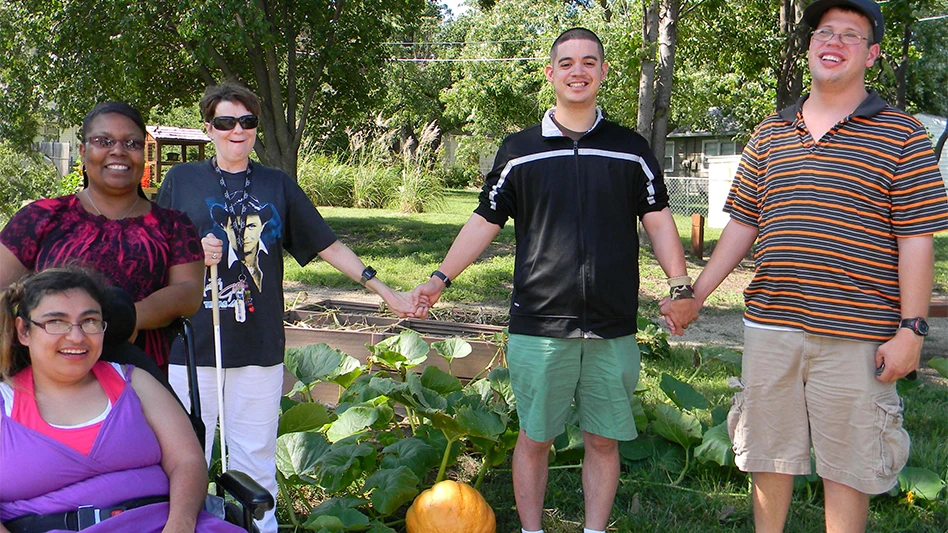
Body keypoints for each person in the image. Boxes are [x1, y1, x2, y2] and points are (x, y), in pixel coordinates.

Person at [662, 0, 948, 530]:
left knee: (849, 469)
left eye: (850, 35)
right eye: (824, 32)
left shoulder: (902, 134)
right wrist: (696, 295)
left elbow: (915, 239)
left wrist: (912, 329)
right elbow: (742, 225)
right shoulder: (769, 134)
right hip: (772, 327)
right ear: (811, 45)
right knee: (767, 458)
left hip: (858, 334)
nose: (833, 42)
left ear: (872, 55)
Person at [411, 28, 694, 533]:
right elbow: (484, 220)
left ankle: (594, 530)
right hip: (539, 325)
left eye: (588, 62)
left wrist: (680, 287)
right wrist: (439, 279)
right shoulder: (519, 150)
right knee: (535, 438)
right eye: (566, 63)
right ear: (551, 73)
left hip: (611, 324)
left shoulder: (630, 149)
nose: (577, 71)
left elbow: (658, 220)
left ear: (603, 72)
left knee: (603, 440)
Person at [156, 83, 421, 533]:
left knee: (255, 459)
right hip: (192, 346)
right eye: (225, 122)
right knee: (185, 463)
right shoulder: (181, 181)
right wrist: (191, 251)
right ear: (208, 128)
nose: (237, 130)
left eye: (247, 121)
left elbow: (326, 244)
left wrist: (385, 291)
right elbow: (155, 249)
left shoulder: (276, 184)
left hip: (258, 345)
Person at [0, 268, 243, 533]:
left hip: (165, 524)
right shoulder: (4, 403)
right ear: (24, 331)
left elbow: (187, 461)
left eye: (90, 321)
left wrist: (180, 525)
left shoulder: (135, 381)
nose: (76, 336)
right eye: (56, 322)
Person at [0, 102, 205, 371]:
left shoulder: (173, 225)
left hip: (137, 376)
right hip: (46, 376)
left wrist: (129, 318)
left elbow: (189, 292)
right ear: (83, 151)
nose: (118, 150)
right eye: (103, 141)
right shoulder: (41, 217)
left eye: (131, 143)